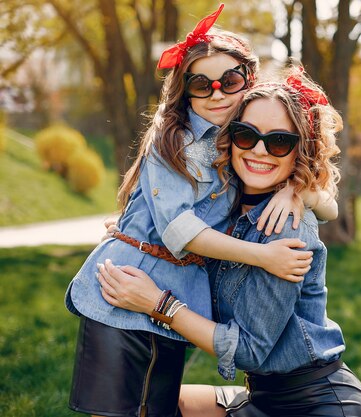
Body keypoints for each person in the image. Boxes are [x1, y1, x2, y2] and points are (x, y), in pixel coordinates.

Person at [65, 5, 337, 417]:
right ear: (185, 88)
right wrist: (264, 255)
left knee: (156, 408)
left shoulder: (242, 139)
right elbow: (179, 230)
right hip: (126, 290)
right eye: (201, 84)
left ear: (249, 79)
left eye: (229, 81)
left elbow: (328, 203)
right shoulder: (173, 139)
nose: (217, 94)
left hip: (168, 299)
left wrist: (298, 191)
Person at [96, 69, 361, 417]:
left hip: (317, 405)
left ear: (298, 151)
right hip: (262, 396)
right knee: (146, 404)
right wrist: (135, 235)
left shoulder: (285, 227)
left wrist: (158, 304)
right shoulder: (219, 213)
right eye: (246, 135)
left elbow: (249, 351)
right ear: (229, 138)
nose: (260, 151)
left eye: (278, 142)